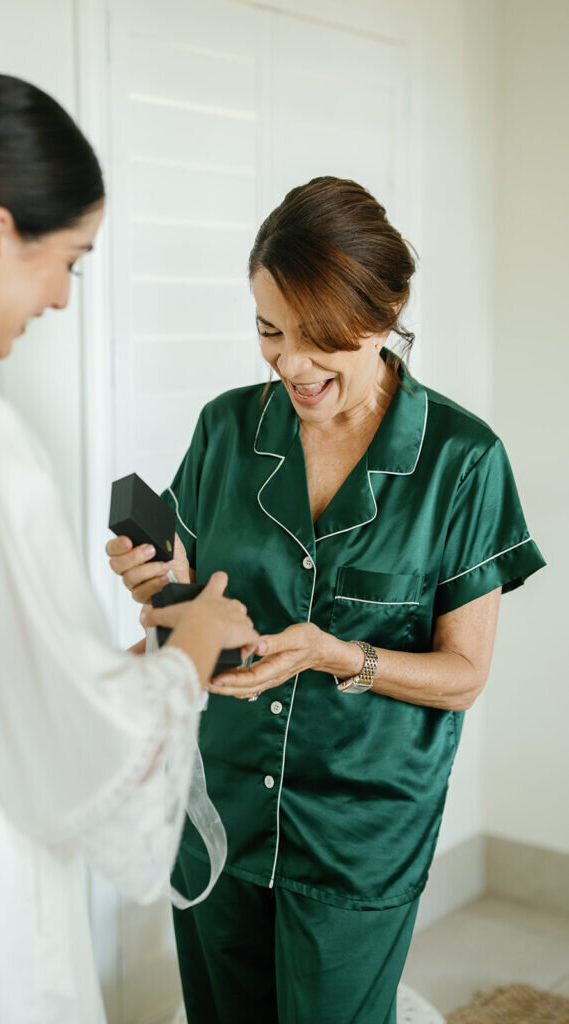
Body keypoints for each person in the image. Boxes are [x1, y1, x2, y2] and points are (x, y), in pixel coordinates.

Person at [107, 177, 546, 1024]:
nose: (292, 366)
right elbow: (181, 603)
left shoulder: (462, 462)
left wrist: (336, 654)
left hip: (358, 837)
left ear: (384, 317)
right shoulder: (225, 429)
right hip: (218, 811)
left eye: (322, 340)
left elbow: (462, 675)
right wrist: (152, 586)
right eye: (270, 332)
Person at [0, 73, 259, 1024]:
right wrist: (189, 649)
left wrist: (115, 669)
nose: (60, 298)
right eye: (70, 261)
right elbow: (78, 760)